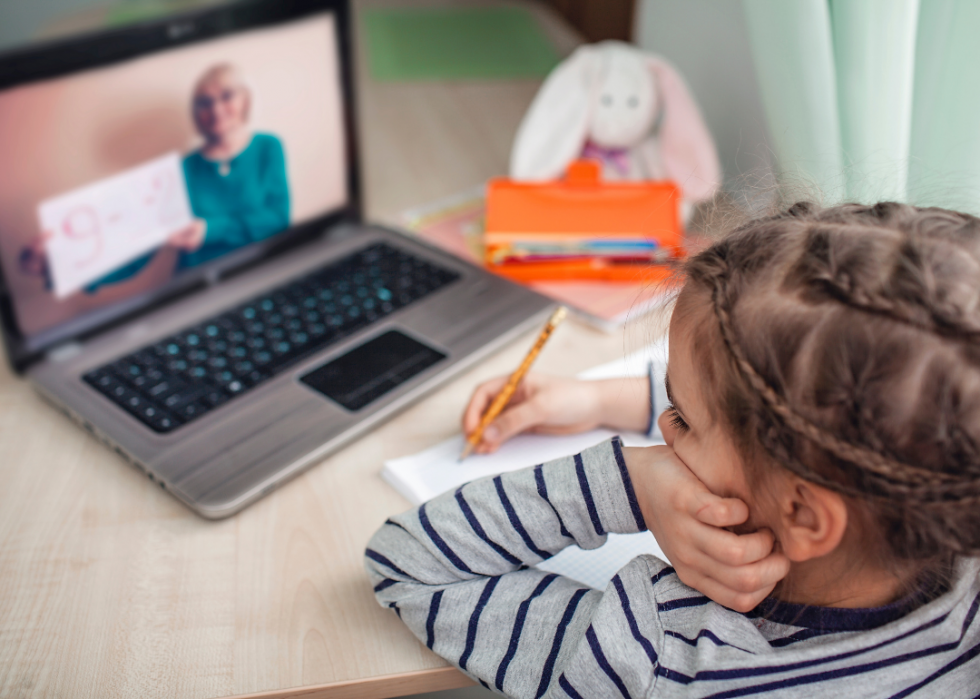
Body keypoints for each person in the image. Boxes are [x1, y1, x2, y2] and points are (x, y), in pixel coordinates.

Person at [365, 201, 980, 697]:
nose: (662, 421)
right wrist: (602, 401)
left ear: (804, 516)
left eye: (681, 417)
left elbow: (409, 564)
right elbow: (771, 415)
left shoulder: (661, 658)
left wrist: (627, 484)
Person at [20, 63, 290, 292]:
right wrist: (63, 266)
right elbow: (137, 249)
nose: (216, 109)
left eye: (226, 96)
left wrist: (209, 230)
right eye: (204, 102)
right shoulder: (179, 171)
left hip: (263, 277)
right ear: (196, 112)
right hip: (199, 290)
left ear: (245, 100)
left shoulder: (268, 147)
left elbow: (278, 218)